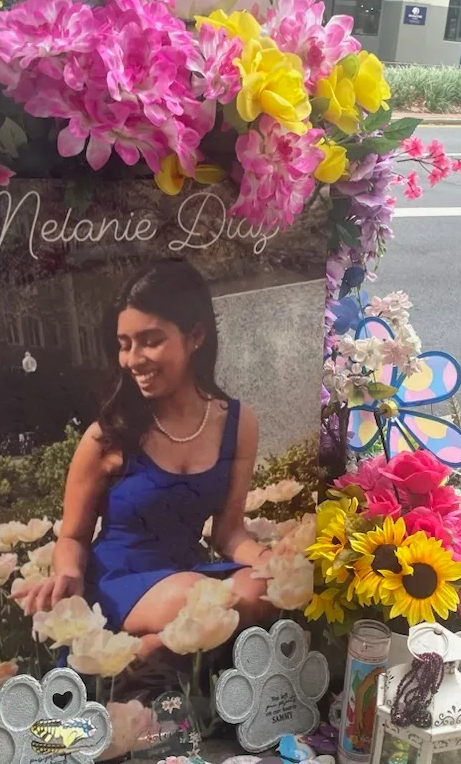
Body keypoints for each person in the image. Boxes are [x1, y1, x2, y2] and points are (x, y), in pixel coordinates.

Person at [14, 261, 273, 657]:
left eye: (150, 341)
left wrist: (273, 561)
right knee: (205, 601)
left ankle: (142, 654)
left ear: (196, 336)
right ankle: (136, 654)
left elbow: (229, 533)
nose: (133, 359)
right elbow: (73, 535)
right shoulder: (108, 435)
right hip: (120, 583)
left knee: (262, 590)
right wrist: (67, 573)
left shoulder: (238, 423)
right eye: (124, 344)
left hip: (188, 577)